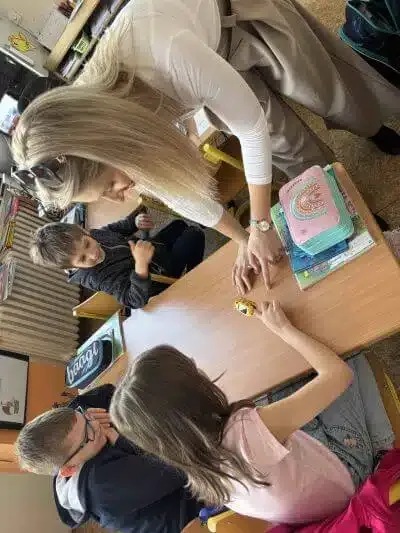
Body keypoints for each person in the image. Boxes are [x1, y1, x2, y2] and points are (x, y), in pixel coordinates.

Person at [11, 0, 400, 294]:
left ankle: (371, 125)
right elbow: (182, 196)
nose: (120, 195)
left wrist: (261, 224)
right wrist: (245, 240)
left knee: (328, 92)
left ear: (112, 140)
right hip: (202, 71)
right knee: (285, 146)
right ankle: (349, 213)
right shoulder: (118, 138)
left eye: (109, 185)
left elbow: (250, 128)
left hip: (237, 20)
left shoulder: (160, 53)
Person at [110, 301, 394, 525]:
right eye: (191, 367)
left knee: (285, 375)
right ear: (192, 392)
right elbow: (337, 374)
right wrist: (283, 328)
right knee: (344, 353)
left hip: (311, 503)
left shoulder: (196, 466)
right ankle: (381, 447)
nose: (197, 366)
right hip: (347, 479)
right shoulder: (245, 432)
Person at [15, 384, 201, 533]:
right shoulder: (102, 485)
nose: (96, 424)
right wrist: (121, 441)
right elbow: (183, 465)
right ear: (70, 469)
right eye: (88, 432)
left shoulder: (72, 443)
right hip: (197, 508)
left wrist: (86, 411)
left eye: (84, 415)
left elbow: (109, 391)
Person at [29, 210, 205, 308]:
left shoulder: (95, 234)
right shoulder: (98, 278)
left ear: (84, 231)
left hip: (151, 250)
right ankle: (195, 273)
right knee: (194, 234)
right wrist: (141, 266)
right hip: (159, 275)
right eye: (82, 259)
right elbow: (133, 300)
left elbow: (117, 228)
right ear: (73, 267)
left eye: (87, 244)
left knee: (179, 225)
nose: (93, 254)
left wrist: (135, 222)